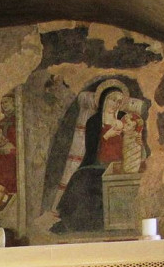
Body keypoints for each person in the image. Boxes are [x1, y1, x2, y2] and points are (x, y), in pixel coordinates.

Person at [51, 81, 146, 233]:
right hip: (96, 164)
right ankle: (78, 224)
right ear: (104, 100)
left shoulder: (125, 119)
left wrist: (137, 141)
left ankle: (118, 223)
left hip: (120, 164)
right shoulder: (94, 121)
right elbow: (91, 148)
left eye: (119, 101)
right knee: (81, 180)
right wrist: (106, 136)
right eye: (113, 99)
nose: (116, 104)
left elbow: (133, 138)